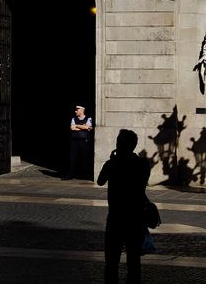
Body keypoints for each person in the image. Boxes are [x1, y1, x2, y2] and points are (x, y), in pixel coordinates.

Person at [97, 129, 151, 284]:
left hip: (116, 217)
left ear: (119, 144)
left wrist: (112, 159)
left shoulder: (112, 164)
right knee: (134, 261)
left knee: (112, 262)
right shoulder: (143, 164)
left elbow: (100, 181)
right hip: (136, 217)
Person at [65, 105, 93, 180]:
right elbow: (72, 127)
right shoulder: (73, 118)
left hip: (84, 141)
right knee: (72, 158)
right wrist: (83, 127)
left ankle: (87, 175)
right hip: (74, 140)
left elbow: (88, 127)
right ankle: (70, 174)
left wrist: (77, 126)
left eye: (77, 110)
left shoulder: (88, 118)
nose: (75, 111)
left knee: (85, 157)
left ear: (81, 110)